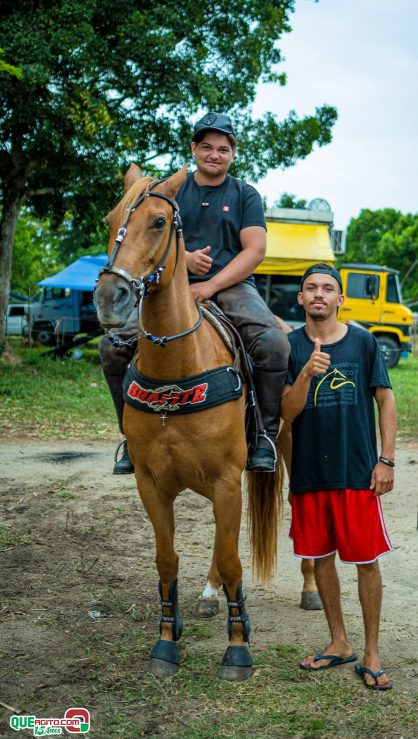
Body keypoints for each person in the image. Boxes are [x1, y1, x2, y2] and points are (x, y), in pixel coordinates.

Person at [99, 112, 289, 474]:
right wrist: (183, 260)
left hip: (232, 287)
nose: (214, 154)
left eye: (223, 148)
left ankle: (263, 435)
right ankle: (129, 436)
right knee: (112, 347)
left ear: (233, 153)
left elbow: (255, 250)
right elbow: (147, 233)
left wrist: (211, 285)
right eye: (206, 147)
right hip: (170, 288)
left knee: (274, 344)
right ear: (194, 149)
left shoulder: (246, 195)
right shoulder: (172, 189)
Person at [280, 263, 396, 690]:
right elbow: (287, 413)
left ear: (340, 298)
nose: (318, 295)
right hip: (311, 474)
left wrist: (386, 461)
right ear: (300, 299)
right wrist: (308, 374)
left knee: (367, 561)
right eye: (310, 288)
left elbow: (385, 401)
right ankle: (339, 641)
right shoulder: (290, 346)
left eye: (327, 289)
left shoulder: (363, 342)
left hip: (356, 473)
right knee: (321, 558)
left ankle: (371, 652)